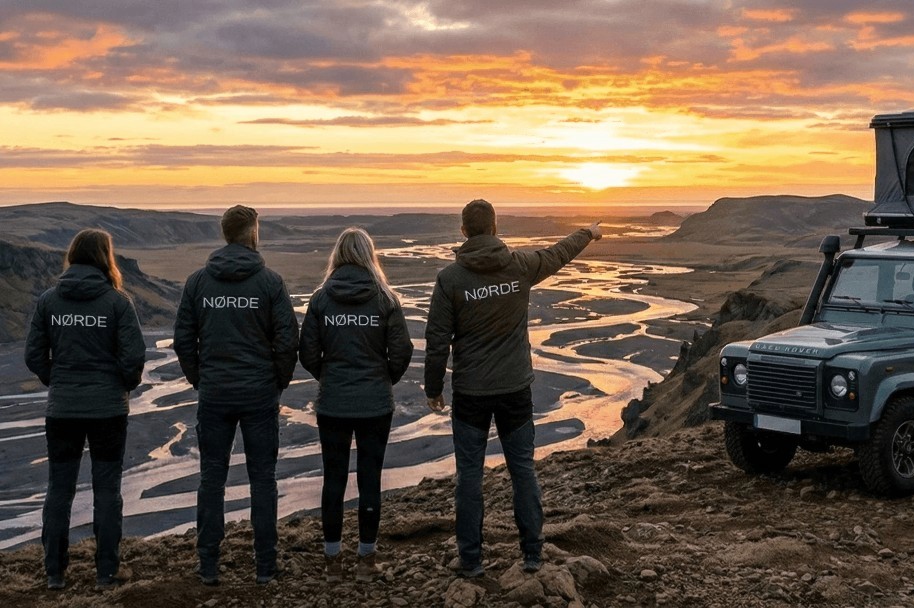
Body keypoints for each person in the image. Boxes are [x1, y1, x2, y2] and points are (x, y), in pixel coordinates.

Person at [424, 199, 601, 578]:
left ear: (463, 231)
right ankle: (532, 554)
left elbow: (437, 339)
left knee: (469, 476)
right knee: (523, 471)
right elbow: (558, 253)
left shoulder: (450, 279)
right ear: (495, 227)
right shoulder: (519, 266)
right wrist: (588, 232)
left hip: (471, 392)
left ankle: (471, 560)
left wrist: (434, 387)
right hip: (515, 390)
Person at [173, 205, 298, 586]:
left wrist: (202, 379)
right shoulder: (270, 283)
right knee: (263, 479)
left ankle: (208, 565)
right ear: (252, 232)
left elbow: (183, 340)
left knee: (211, 478)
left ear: (225, 234)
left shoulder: (198, 282)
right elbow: (287, 340)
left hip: (215, 394)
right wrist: (276, 383)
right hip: (258, 394)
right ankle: (265, 566)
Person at [25, 228, 146, 591]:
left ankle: (54, 573)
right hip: (108, 410)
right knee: (107, 490)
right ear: (105, 258)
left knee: (59, 490)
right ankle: (107, 571)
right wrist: (121, 385)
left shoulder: (49, 301)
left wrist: (59, 381)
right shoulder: (117, 303)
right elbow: (134, 357)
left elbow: (33, 354)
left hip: (62, 410)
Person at [298, 228, 412, 583]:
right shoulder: (385, 299)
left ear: (337, 255)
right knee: (370, 480)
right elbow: (402, 352)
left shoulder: (320, 300)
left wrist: (329, 378)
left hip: (333, 404)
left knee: (333, 479)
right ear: (369, 255)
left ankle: (332, 563)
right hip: (375, 404)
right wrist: (382, 379)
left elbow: (307, 353)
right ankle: (366, 561)